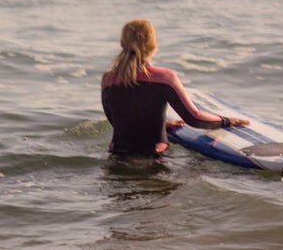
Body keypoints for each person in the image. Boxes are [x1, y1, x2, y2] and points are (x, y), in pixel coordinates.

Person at [101, 19, 248, 156]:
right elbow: (194, 118)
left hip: (118, 155)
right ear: (153, 44)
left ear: (122, 43)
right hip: (154, 157)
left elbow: (117, 121)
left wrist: (159, 124)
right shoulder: (165, 77)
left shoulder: (108, 80)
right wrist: (226, 121)